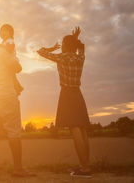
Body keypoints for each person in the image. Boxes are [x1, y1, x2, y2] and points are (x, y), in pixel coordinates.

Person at [0, 24, 35, 177]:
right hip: (6, 95)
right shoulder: (0, 51)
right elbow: (17, 68)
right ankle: (18, 169)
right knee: (14, 131)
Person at [37, 27, 92, 179]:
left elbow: (40, 51)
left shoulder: (62, 57)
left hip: (67, 94)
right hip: (78, 93)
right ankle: (85, 165)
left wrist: (52, 48)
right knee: (82, 130)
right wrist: (75, 39)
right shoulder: (80, 58)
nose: (61, 45)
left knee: (75, 130)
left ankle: (85, 169)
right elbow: (82, 48)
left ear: (66, 46)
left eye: (62, 43)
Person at [0, 24, 24, 95]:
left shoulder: (10, 40)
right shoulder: (3, 42)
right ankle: (17, 88)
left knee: (11, 77)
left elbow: (10, 48)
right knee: (11, 76)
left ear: (10, 33)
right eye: (1, 31)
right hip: (8, 62)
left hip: (11, 62)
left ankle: (17, 89)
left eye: (5, 31)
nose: (3, 32)